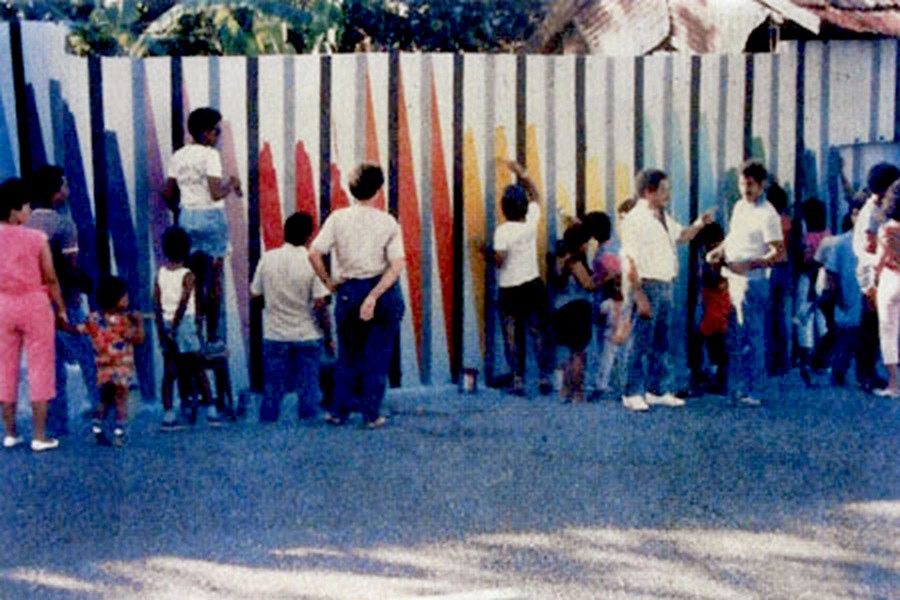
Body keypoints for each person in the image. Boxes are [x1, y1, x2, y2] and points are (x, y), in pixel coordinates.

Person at [309, 163, 405, 428]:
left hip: (348, 290)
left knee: (348, 353)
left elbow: (314, 253)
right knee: (378, 354)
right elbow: (397, 264)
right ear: (378, 190)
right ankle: (371, 414)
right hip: (381, 290)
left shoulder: (338, 219)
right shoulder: (387, 221)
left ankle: (338, 411)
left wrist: (328, 282)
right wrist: (374, 295)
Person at [619, 169, 712, 412]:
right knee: (639, 342)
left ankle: (657, 389)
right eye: (663, 190)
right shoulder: (635, 220)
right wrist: (639, 296)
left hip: (665, 284)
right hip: (646, 284)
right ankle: (631, 392)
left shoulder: (661, 216)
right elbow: (629, 260)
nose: (667, 195)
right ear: (648, 191)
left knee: (661, 341)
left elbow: (681, 236)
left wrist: (700, 224)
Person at [25, 165, 97, 437]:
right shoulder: (64, 225)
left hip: (35, 304)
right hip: (66, 302)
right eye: (64, 185)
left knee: (50, 364)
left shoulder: (27, 223)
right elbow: (71, 266)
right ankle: (101, 406)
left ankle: (57, 422)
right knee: (88, 355)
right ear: (56, 193)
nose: (67, 190)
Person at [707, 159, 785, 407]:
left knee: (753, 335)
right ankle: (736, 387)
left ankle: (754, 389)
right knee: (735, 336)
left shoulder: (768, 214)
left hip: (753, 280)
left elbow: (778, 253)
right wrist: (719, 250)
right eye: (742, 184)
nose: (745, 189)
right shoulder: (740, 206)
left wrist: (749, 264)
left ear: (762, 185)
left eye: (750, 184)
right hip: (733, 278)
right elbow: (734, 236)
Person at [163, 107, 242, 344]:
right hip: (211, 220)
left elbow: (167, 192)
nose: (218, 136)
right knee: (215, 279)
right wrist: (232, 183)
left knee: (191, 278)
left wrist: (182, 208)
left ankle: (192, 331)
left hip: (187, 218)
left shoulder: (178, 156)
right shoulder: (210, 155)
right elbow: (216, 193)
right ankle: (212, 335)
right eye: (216, 131)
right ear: (206, 132)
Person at [0, 177, 67, 452]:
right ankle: (40, 436)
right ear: (15, 210)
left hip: (3, 305)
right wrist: (60, 308)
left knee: (5, 368)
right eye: (26, 206)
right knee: (41, 368)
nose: (28, 211)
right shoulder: (37, 238)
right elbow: (50, 278)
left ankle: (10, 433)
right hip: (35, 304)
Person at [251, 212, 333, 422]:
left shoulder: (267, 258)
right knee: (308, 390)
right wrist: (329, 336)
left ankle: (267, 432)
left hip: (275, 335)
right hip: (306, 335)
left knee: (272, 390)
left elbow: (256, 296)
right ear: (309, 236)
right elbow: (320, 304)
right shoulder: (312, 262)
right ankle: (307, 438)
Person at [481, 160, 554, 396]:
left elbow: (500, 261)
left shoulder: (503, 232)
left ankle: (518, 379)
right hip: (532, 285)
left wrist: (484, 251)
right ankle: (544, 377)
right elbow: (536, 196)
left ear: (504, 208)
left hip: (510, 288)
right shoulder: (530, 224)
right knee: (536, 332)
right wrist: (522, 173)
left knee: (511, 334)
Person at [154, 226, 218, 431]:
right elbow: (185, 301)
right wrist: (176, 327)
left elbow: (156, 303)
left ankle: (168, 415)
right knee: (197, 367)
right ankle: (210, 410)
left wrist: (162, 331)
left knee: (169, 370)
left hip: (165, 322)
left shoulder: (160, 274)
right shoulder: (188, 275)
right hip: (185, 324)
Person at [853, 163, 900, 392]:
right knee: (871, 327)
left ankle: (874, 373)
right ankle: (866, 374)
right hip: (874, 274)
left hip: (883, 273)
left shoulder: (883, 207)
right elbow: (867, 247)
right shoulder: (872, 211)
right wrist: (871, 282)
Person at [80, 277, 145, 446]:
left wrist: (63, 324)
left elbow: (80, 329)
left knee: (105, 400)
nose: (127, 299)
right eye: (124, 296)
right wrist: (140, 323)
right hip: (121, 368)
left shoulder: (94, 319)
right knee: (121, 402)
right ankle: (119, 432)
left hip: (103, 369)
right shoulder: (124, 321)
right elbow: (138, 339)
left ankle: (97, 428)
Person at [550, 223, 595, 403]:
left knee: (568, 353)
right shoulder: (575, 263)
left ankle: (565, 391)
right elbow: (588, 285)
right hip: (578, 308)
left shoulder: (559, 259)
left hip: (560, 308)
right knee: (578, 353)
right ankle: (578, 392)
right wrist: (605, 277)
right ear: (580, 244)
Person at [823, 213, 864, 387]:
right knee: (845, 336)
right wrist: (837, 295)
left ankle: (864, 374)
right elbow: (830, 272)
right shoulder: (840, 243)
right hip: (847, 296)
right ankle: (837, 370)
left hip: (865, 297)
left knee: (862, 337)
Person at [794, 198, 831, 386]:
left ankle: (806, 360)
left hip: (808, 280)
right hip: (823, 281)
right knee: (821, 322)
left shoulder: (807, 238)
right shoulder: (828, 235)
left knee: (804, 319)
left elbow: (806, 262)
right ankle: (821, 361)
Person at [691, 222, 730, 395]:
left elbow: (714, 279)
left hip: (715, 301)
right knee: (714, 339)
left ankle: (709, 375)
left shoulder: (718, 256)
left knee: (708, 338)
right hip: (716, 301)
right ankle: (715, 375)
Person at [873, 181, 900, 397]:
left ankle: (893, 384)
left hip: (891, 278)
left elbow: (881, 259)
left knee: (888, 331)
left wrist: (873, 277)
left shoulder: (886, 228)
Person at [595, 275, 627, 397]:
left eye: (621, 286)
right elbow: (600, 320)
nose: (618, 289)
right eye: (616, 285)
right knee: (606, 361)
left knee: (623, 361)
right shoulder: (606, 304)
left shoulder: (627, 303)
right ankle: (602, 384)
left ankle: (622, 385)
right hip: (609, 336)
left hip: (625, 336)